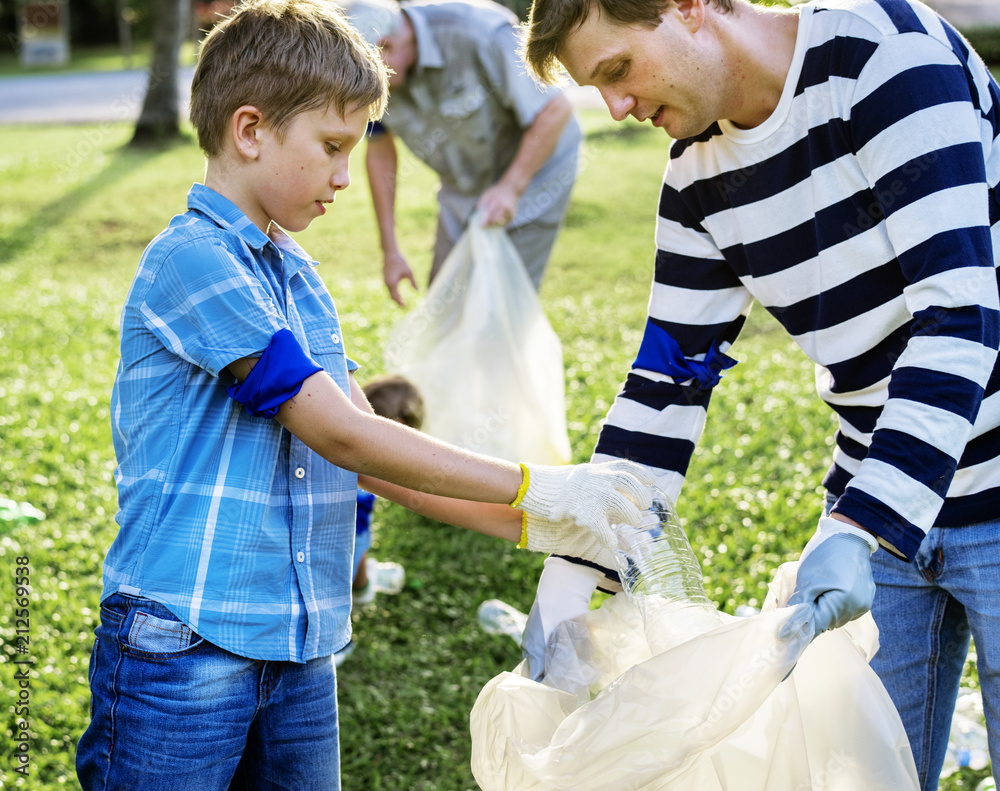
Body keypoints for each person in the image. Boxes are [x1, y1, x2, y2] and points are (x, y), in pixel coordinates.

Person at [73, 1, 655, 788]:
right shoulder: (194, 262)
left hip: (301, 649)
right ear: (250, 131)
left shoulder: (299, 280)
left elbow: (374, 454)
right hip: (186, 648)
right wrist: (540, 484)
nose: (347, 175)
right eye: (333, 147)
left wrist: (545, 525)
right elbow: (338, 433)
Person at [519, 0, 1000, 789]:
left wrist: (859, 526)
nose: (614, 107)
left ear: (691, 8)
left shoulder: (887, 62)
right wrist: (577, 573)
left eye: (617, 70)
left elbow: (960, 317)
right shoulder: (695, 181)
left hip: (931, 494)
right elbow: (666, 389)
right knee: (863, 770)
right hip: (878, 494)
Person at [340, 0, 583, 306]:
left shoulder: (478, 32)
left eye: (369, 74)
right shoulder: (371, 71)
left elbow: (554, 108)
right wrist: (390, 250)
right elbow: (379, 152)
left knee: (501, 303)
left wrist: (510, 188)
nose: (365, 90)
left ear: (385, 46)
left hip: (535, 176)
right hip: (463, 184)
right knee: (444, 298)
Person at [335, 374, 424, 666]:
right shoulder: (363, 466)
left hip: (354, 533)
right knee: (337, 579)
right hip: (335, 542)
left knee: (359, 550)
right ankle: (337, 640)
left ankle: (362, 589)